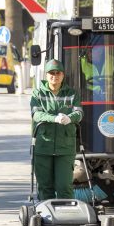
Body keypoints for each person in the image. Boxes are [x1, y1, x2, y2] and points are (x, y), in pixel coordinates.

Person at [30, 59, 83, 200]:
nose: (55, 76)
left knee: (64, 186)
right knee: (45, 186)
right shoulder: (38, 94)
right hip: (43, 146)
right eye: (51, 73)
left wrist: (69, 118)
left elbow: (79, 113)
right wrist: (54, 118)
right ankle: (45, 215)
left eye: (58, 73)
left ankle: (67, 215)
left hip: (65, 147)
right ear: (46, 75)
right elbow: (36, 114)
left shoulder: (72, 94)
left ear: (63, 75)